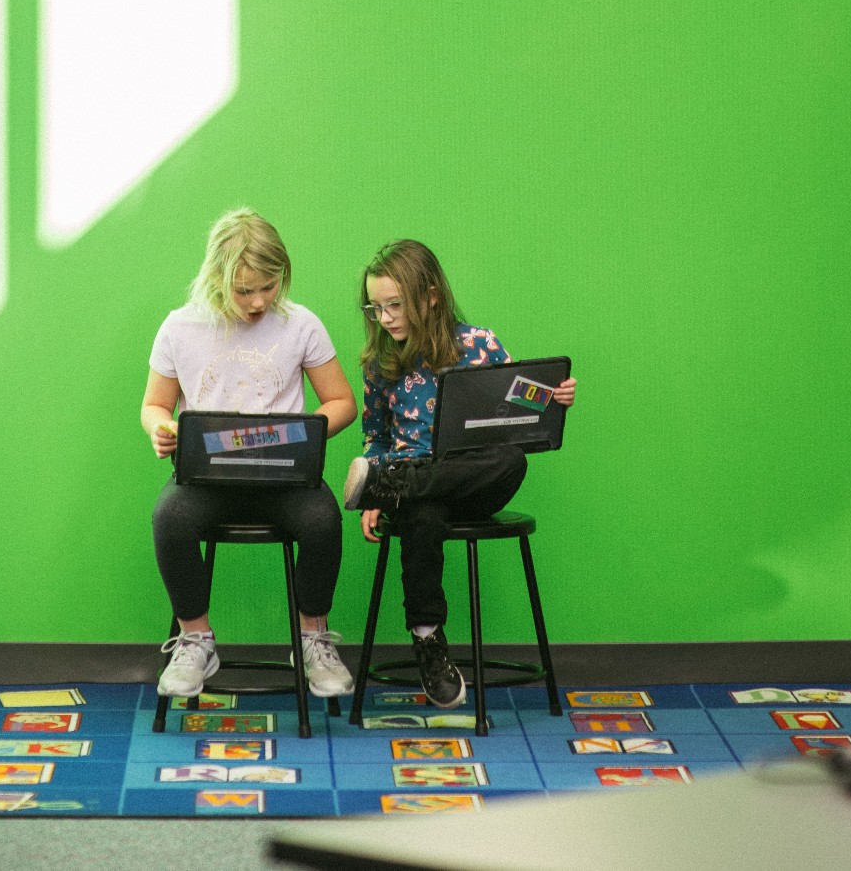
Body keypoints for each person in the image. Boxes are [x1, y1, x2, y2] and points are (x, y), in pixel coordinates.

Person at [342, 239, 576, 709]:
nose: (385, 318)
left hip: (473, 479)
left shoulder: (478, 345)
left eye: (395, 305)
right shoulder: (380, 364)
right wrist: (376, 490)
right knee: (423, 515)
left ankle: (396, 488)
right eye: (376, 308)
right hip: (417, 487)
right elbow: (376, 439)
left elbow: (519, 409)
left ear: (430, 296)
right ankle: (428, 639)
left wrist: (553, 397)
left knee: (511, 460)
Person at [142, 208, 358, 699]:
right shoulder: (180, 328)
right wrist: (162, 428)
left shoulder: (301, 324)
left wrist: (300, 433)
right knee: (169, 517)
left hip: (283, 477)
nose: (259, 301)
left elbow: (343, 401)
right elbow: (155, 404)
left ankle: (312, 640)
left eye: (269, 286)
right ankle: (196, 638)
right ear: (216, 276)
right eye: (245, 290)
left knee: (323, 519)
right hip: (207, 480)